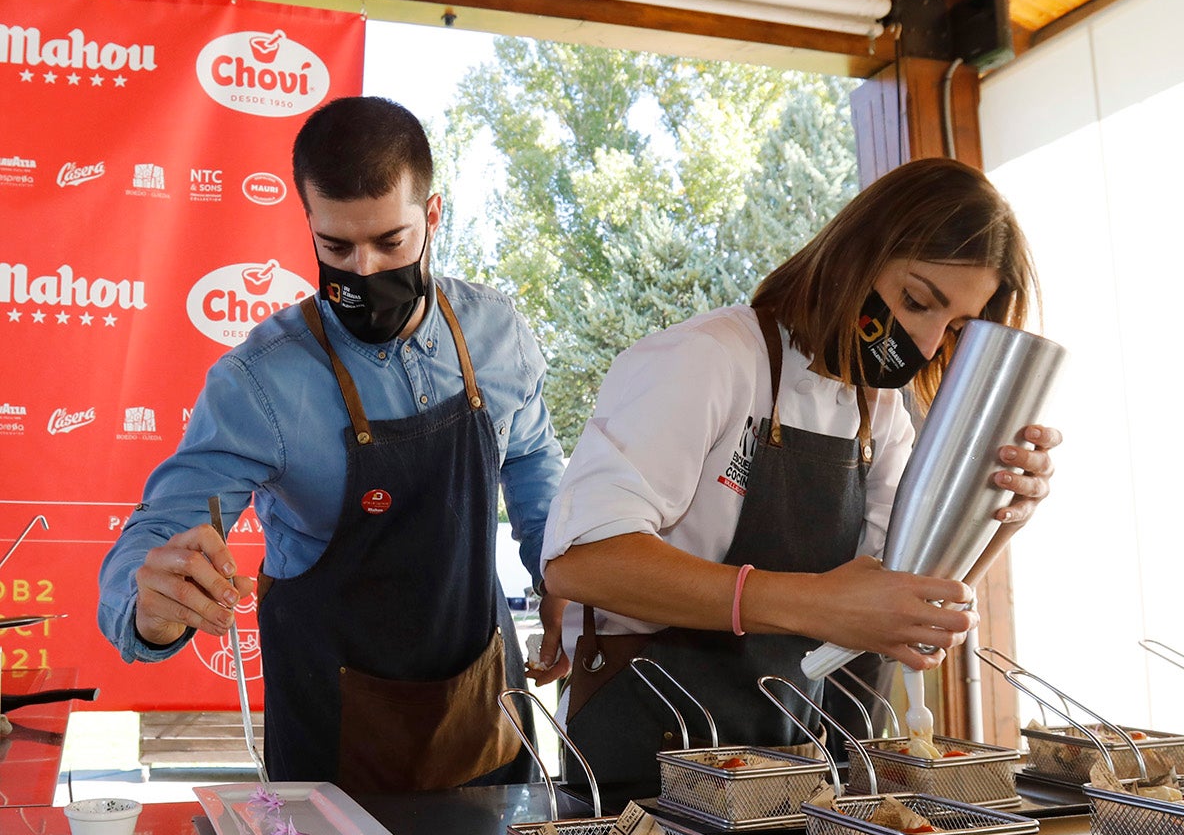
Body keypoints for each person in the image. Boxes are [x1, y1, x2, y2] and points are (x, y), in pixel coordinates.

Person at [541, 157, 1060, 792]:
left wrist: (997, 514)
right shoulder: (707, 360)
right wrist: (817, 604)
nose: (925, 345)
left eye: (952, 327)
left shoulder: (881, 410)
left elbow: (901, 599)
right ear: (857, 252)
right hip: (654, 764)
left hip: (806, 770)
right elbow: (583, 561)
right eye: (917, 301)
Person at [98, 96, 569, 791]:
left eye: (391, 242)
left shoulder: (497, 334)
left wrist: (559, 569)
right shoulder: (260, 382)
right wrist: (150, 604)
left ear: (433, 217)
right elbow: (163, 527)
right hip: (333, 758)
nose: (365, 269)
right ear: (309, 224)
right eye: (337, 247)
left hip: (486, 722)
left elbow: (530, 459)